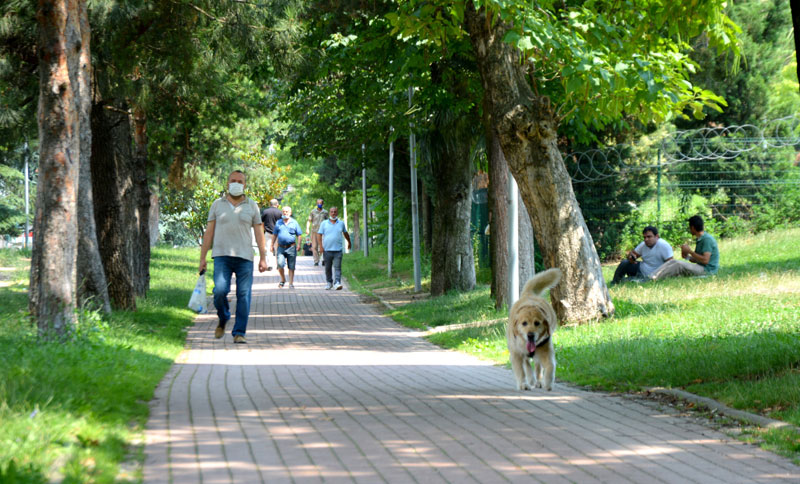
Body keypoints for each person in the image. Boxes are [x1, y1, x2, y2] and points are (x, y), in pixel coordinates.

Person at [199, 170, 268, 344]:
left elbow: (259, 232)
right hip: (222, 256)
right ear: (228, 183)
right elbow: (209, 232)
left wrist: (263, 257)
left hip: (245, 257)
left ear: (245, 185)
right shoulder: (217, 205)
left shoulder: (252, 205)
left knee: (244, 295)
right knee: (220, 291)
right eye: (233, 180)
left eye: (240, 181)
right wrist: (203, 258)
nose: (236, 183)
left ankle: (239, 332)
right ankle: (223, 317)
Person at [651, 215, 720, 280]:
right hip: (701, 267)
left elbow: (705, 260)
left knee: (679, 264)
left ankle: (655, 278)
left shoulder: (706, 239)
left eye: (689, 227)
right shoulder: (700, 239)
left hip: (707, 270)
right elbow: (697, 259)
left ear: (692, 227)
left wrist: (690, 251)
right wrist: (687, 256)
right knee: (673, 261)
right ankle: (651, 275)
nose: (689, 229)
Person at [318, 206, 351, 290]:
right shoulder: (324, 223)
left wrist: (349, 242)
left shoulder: (341, 223)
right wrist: (321, 247)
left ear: (337, 213)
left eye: (335, 212)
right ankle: (329, 282)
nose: (333, 213)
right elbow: (319, 235)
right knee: (327, 268)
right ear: (329, 213)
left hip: (338, 250)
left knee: (337, 267)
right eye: (332, 212)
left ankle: (337, 283)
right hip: (327, 250)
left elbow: (345, 233)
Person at [270, 206, 303, 288]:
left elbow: (299, 235)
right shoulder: (278, 222)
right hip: (281, 247)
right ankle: (283, 279)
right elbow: (274, 234)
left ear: (290, 213)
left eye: (287, 211)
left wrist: (299, 244)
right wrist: (271, 245)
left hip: (291, 247)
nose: (285, 213)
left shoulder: (294, 223)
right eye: (284, 211)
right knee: (280, 264)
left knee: (291, 266)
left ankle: (291, 283)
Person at [261, 198, 282, 270]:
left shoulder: (265, 212)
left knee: (268, 249)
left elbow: (262, 223)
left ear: (270, 204)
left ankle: (270, 265)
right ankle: (278, 264)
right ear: (277, 205)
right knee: (277, 249)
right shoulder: (280, 212)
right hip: (277, 233)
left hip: (268, 232)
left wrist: (264, 230)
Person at [306, 198, 328, 266]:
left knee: (322, 246)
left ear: (322, 204)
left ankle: (323, 259)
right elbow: (309, 220)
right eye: (318, 203)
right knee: (314, 246)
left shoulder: (325, 212)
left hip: (323, 232)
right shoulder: (313, 212)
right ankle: (316, 261)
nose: (319, 204)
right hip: (314, 231)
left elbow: (328, 222)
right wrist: (307, 228)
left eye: (320, 203)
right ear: (316, 204)